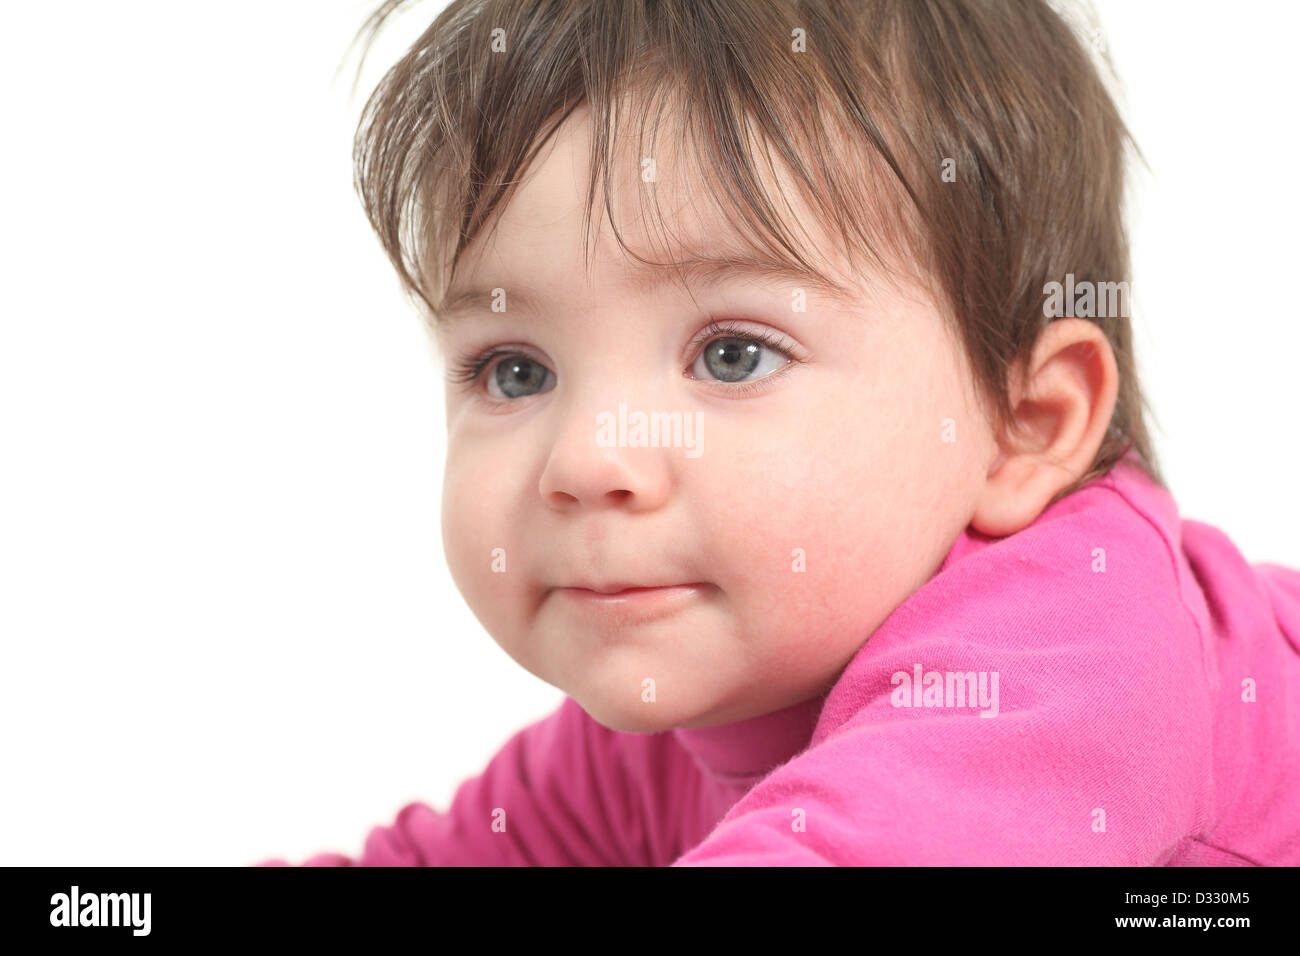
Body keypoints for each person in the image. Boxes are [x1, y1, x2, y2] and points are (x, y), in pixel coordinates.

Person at [259, 0, 1300, 865]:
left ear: (1023, 424)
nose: (586, 457)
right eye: (514, 369)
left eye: (731, 355)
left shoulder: (1076, 648)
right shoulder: (670, 718)